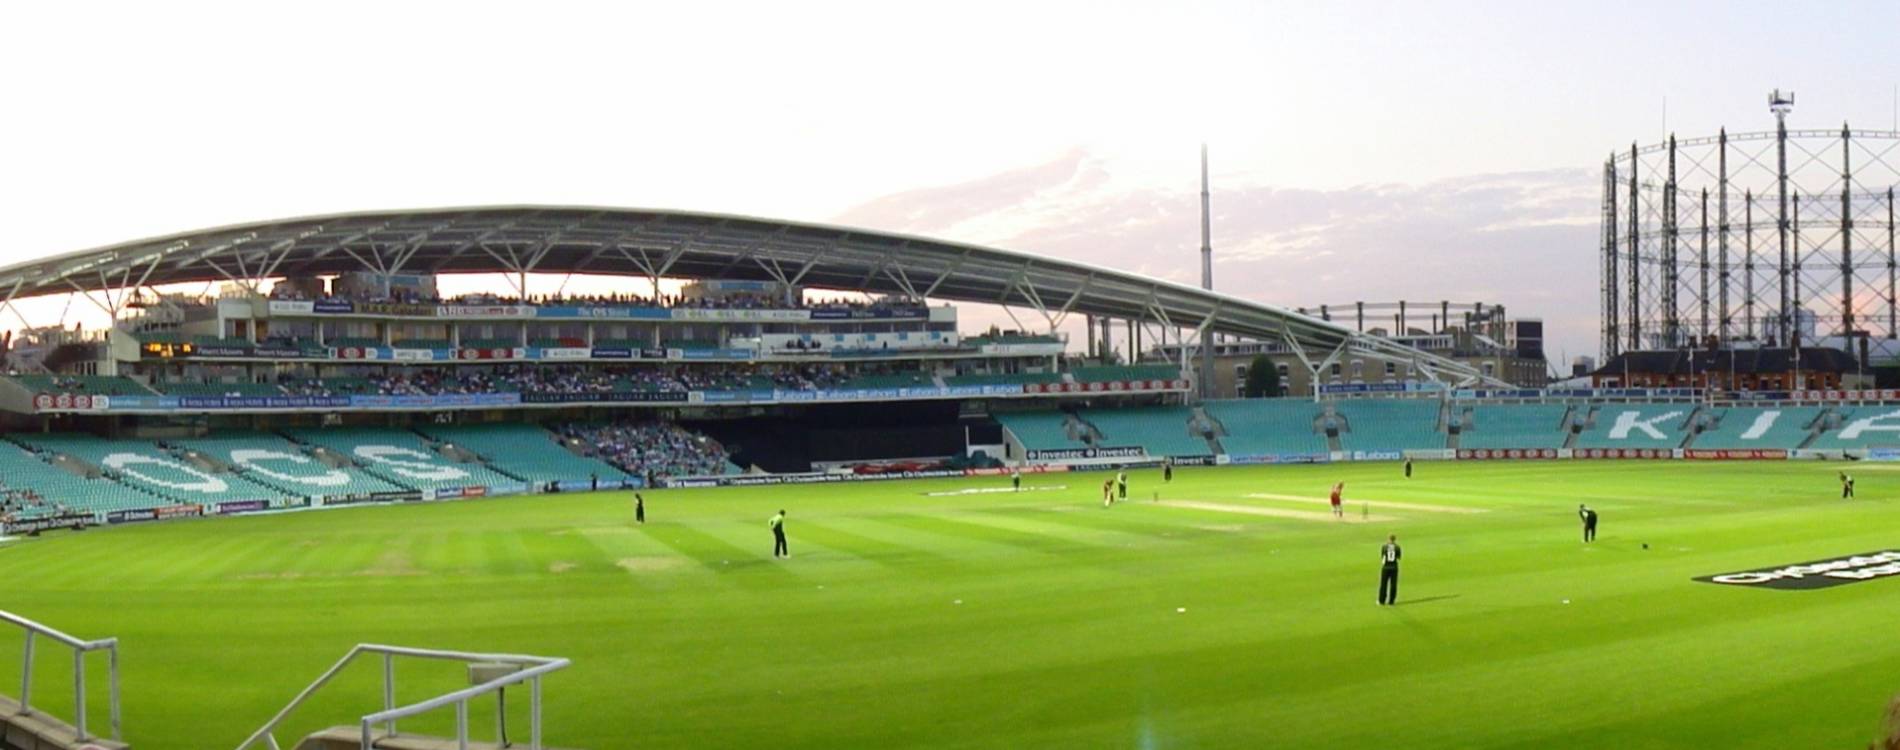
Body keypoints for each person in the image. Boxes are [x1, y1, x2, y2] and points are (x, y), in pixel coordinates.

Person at [1378, 534, 1402, 605]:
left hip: (1385, 567)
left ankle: (1381, 601)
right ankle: (1391, 601)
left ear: (1388, 539)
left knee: (1383, 584)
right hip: (1394, 567)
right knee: (1393, 584)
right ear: (1394, 540)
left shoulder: (1384, 547)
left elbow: (1382, 556)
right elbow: (1399, 557)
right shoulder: (1397, 547)